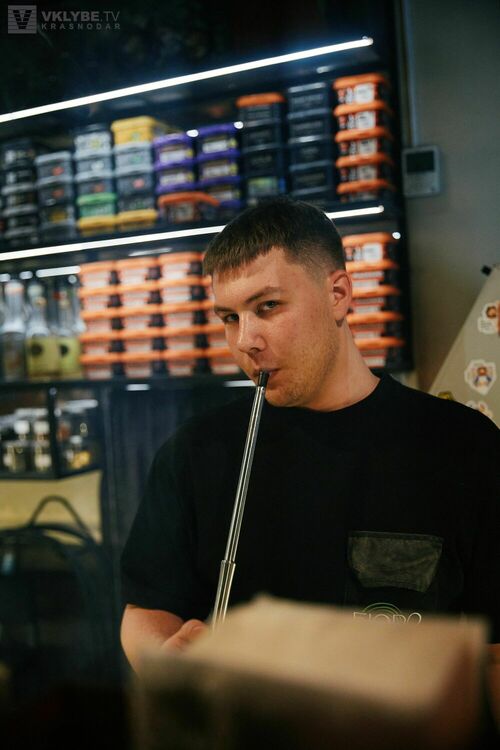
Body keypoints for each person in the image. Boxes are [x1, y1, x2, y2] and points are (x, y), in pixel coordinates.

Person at [120, 197, 499, 712]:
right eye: (229, 317)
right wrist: (167, 666)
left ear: (338, 294)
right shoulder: (196, 453)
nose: (246, 341)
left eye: (267, 307)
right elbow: (147, 607)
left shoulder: (463, 447)